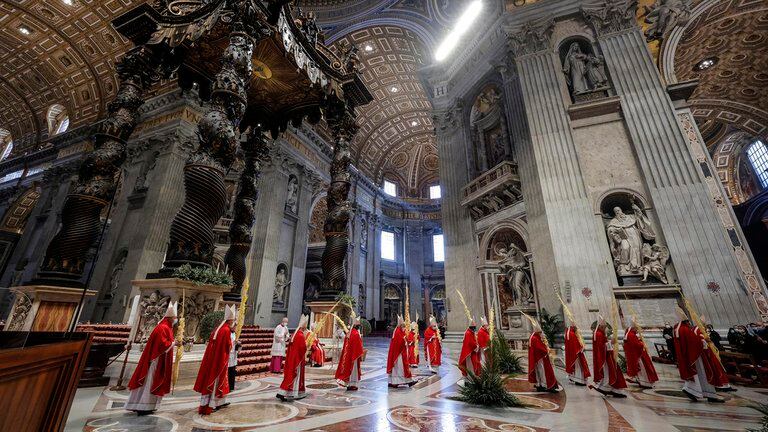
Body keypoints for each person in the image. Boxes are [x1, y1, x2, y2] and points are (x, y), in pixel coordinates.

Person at [126, 301, 181, 415]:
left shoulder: (166, 327)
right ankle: (143, 406)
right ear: (170, 317)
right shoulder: (162, 328)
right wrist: (174, 343)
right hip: (156, 361)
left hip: (159, 359)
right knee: (149, 383)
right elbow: (162, 345)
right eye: (175, 317)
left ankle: (145, 405)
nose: (176, 319)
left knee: (150, 383)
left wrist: (173, 342)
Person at [673, 307, 725, 402]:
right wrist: (705, 341)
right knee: (703, 373)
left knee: (700, 374)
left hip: (691, 356)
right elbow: (694, 342)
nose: (689, 323)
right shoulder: (686, 330)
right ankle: (695, 391)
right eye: (688, 321)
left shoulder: (679, 329)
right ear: (686, 322)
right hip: (697, 356)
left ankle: (704, 393)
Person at [195, 305, 236, 415]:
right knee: (216, 381)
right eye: (233, 320)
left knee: (211, 380)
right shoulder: (226, 330)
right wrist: (234, 344)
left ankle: (209, 403)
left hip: (213, 359)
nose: (234, 322)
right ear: (230, 320)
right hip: (219, 360)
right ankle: (213, 404)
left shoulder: (219, 329)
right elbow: (227, 346)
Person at [694, 316, 734, 392]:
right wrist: (707, 340)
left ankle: (724, 384)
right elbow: (702, 342)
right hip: (708, 353)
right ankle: (719, 384)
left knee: (718, 368)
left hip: (712, 351)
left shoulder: (703, 330)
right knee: (714, 368)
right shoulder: (698, 330)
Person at [592, 315, 627, 398]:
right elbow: (601, 347)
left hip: (607, 356)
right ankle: (606, 388)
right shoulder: (598, 334)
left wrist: (609, 342)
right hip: (605, 358)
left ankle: (614, 389)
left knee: (613, 372)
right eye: (604, 327)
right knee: (609, 373)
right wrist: (611, 342)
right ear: (600, 326)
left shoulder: (599, 333)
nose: (605, 328)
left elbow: (603, 344)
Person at [277, 315, 309, 401]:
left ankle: (283, 392)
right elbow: (303, 347)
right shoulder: (300, 335)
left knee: (289, 375)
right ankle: (293, 392)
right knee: (295, 376)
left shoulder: (295, 333)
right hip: (297, 360)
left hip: (292, 358)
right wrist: (307, 345)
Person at [623, 316, 658, 389]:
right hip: (638, 355)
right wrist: (641, 343)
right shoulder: (631, 335)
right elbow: (636, 345)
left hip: (635, 355)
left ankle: (640, 380)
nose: (637, 330)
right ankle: (645, 382)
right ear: (633, 328)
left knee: (640, 370)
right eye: (636, 328)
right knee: (643, 370)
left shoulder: (629, 334)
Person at [528, 317, 560, 393]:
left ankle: (539, 385)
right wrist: (547, 351)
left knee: (539, 372)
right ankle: (546, 385)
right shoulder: (535, 338)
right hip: (540, 358)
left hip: (537, 358)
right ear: (538, 331)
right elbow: (540, 348)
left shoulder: (533, 336)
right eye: (540, 332)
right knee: (543, 372)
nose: (541, 334)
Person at [335, 317, 364, 390]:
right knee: (353, 371)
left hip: (349, 355)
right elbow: (359, 345)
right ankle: (353, 384)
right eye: (358, 325)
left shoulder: (350, 333)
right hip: (354, 355)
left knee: (349, 370)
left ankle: (349, 384)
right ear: (356, 326)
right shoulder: (356, 334)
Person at [386, 315, 415, 388]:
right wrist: (405, 341)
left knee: (401, 368)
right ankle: (400, 381)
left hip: (399, 353)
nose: (404, 328)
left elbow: (403, 338)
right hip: (398, 354)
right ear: (400, 325)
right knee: (400, 368)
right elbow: (399, 342)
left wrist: (406, 340)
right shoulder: (398, 331)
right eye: (403, 326)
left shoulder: (399, 330)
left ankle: (394, 381)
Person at [564, 321, 590, 386]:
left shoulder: (568, 332)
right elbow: (575, 345)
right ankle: (579, 380)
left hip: (572, 354)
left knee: (576, 367)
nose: (576, 328)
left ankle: (574, 378)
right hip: (576, 354)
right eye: (576, 327)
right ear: (573, 326)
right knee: (579, 367)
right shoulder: (572, 334)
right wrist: (581, 347)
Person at [228, 323, 241, 391]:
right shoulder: (228, 333)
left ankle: (231, 387)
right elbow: (228, 343)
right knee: (229, 371)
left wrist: (238, 345)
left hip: (234, 355)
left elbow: (236, 342)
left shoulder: (234, 333)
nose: (235, 328)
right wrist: (234, 342)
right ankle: (228, 387)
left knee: (233, 371)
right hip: (229, 354)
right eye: (234, 327)